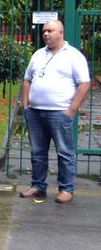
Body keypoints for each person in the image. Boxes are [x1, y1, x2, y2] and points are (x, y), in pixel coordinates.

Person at [18, 19, 91, 203]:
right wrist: (26, 106)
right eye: (44, 31)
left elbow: (85, 83)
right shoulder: (38, 54)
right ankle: (37, 186)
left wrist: (72, 109)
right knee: (37, 152)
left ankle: (66, 189)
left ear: (61, 33)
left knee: (64, 152)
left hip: (59, 112)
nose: (46, 34)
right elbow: (27, 79)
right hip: (35, 112)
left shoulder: (73, 56)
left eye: (50, 30)